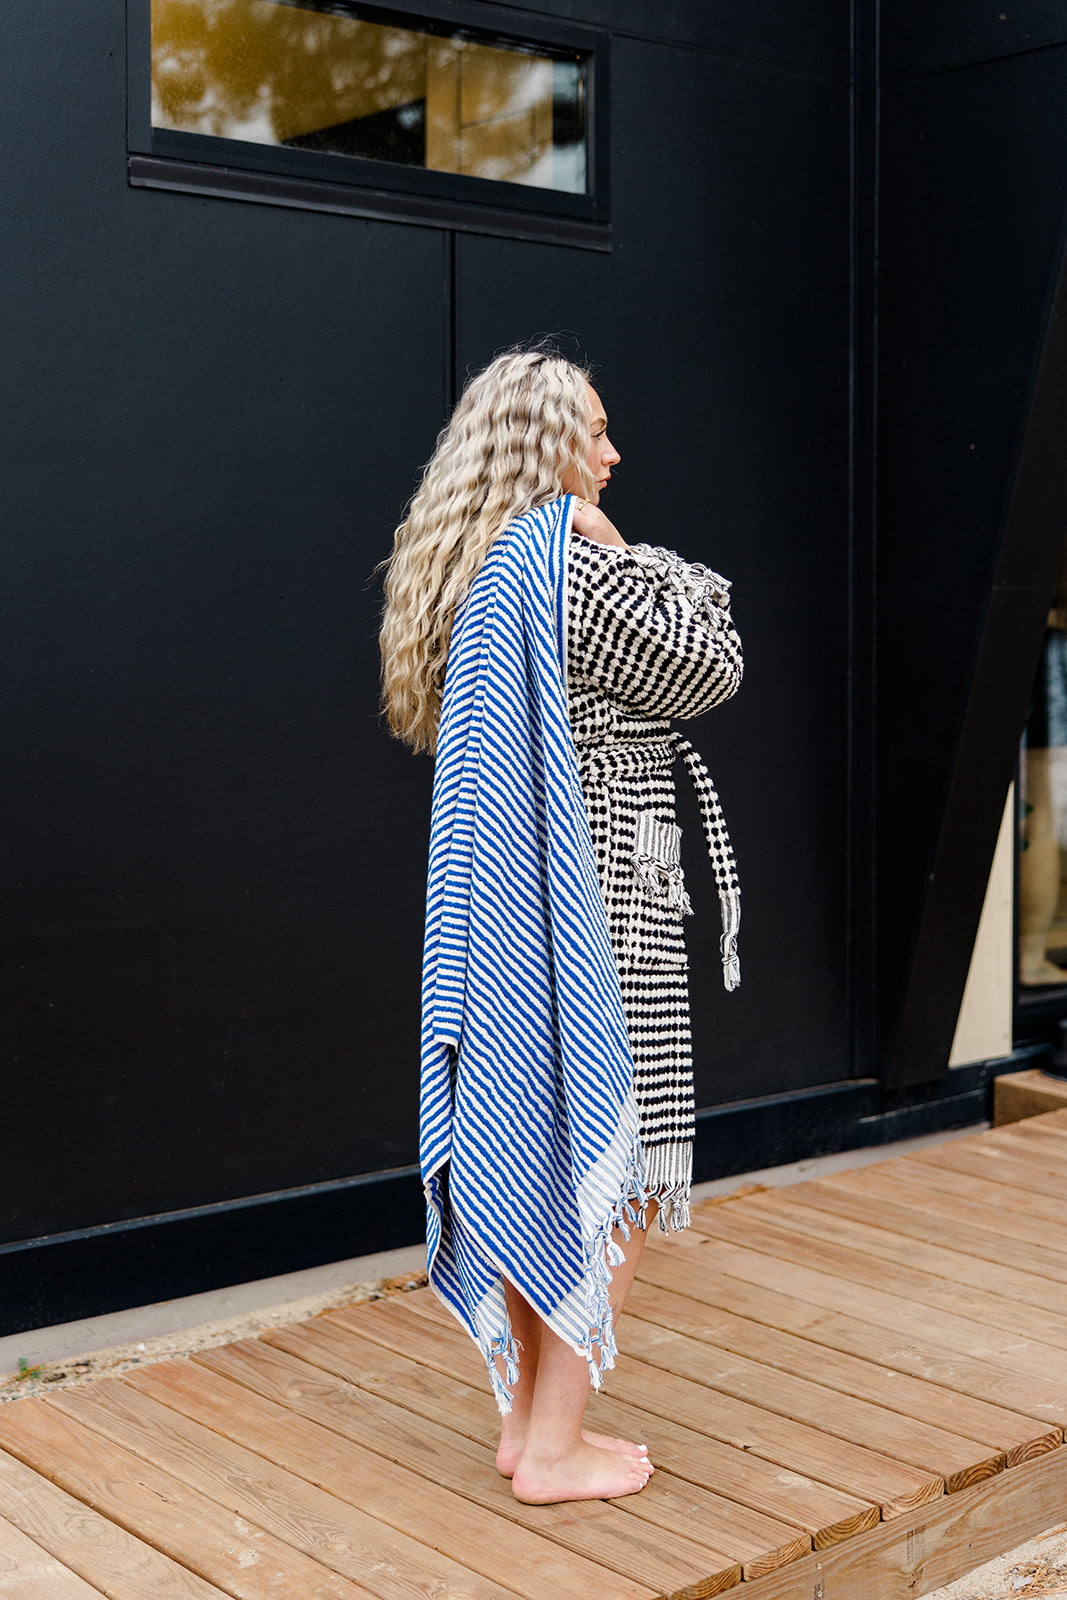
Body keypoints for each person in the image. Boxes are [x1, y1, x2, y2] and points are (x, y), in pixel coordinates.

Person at [379, 347, 742, 1505]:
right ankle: (552, 1447)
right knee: (614, 1167)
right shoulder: (572, 575)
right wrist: (638, 555)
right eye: (593, 431)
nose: (612, 452)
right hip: (603, 904)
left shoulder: (490, 572)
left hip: (533, 910)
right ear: (545, 447)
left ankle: (528, 1424)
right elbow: (711, 661)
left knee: (550, 1159)